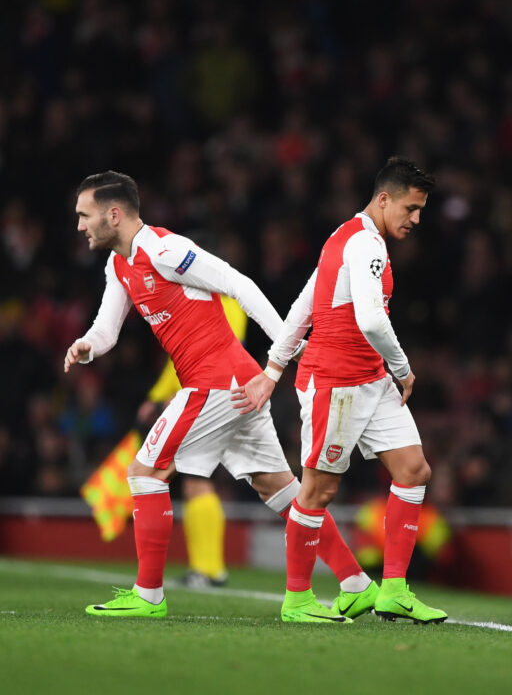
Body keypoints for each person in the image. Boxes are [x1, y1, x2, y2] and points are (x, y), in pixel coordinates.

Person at [65, 171, 374, 623]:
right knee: (281, 489)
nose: (79, 225)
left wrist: (285, 347)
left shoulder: (164, 250)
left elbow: (239, 284)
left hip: (216, 382)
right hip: (233, 386)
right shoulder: (119, 265)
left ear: (114, 214)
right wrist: (88, 345)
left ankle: (148, 595)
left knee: (144, 471)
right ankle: (355, 582)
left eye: (84, 215)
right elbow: (107, 330)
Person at [233, 157, 447, 624]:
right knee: (318, 490)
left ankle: (392, 589)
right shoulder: (367, 245)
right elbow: (371, 318)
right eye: (411, 208)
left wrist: (272, 370)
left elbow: (302, 306)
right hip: (337, 384)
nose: (416, 219)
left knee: (413, 470)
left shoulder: (341, 237)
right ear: (384, 198)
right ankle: (298, 599)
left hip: (369, 379)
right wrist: (403, 368)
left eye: (421, 210)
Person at [137, 293, 249, 588]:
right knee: (194, 482)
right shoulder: (202, 302)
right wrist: (157, 395)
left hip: (215, 396)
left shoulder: (227, 304)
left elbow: (218, 352)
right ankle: (208, 569)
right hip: (209, 395)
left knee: (197, 480)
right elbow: (180, 355)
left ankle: (209, 570)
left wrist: (186, 391)